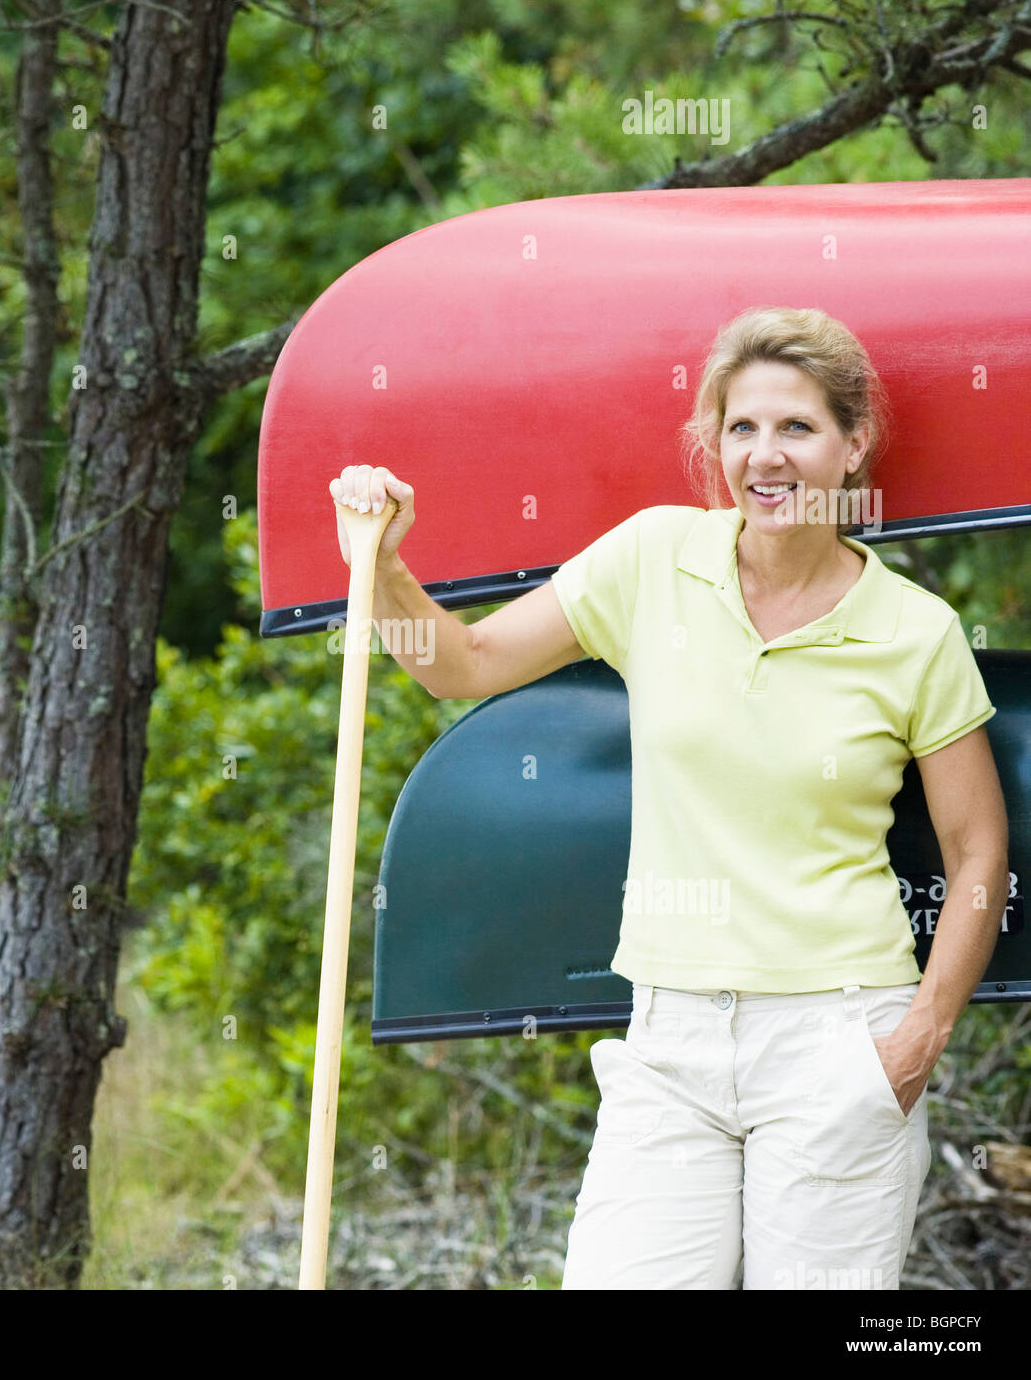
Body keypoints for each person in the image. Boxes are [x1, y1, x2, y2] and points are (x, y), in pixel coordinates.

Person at [328, 305, 1009, 1290]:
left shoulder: (915, 631)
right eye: (741, 428)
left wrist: (917, 1038)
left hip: (839, 1040)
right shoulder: (653, 560)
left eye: (795, 428)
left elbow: (976, 848)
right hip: (670, 1041)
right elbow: (461, 662)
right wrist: (383, 560)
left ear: (852, 443)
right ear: (713, 444)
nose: (764, 456)